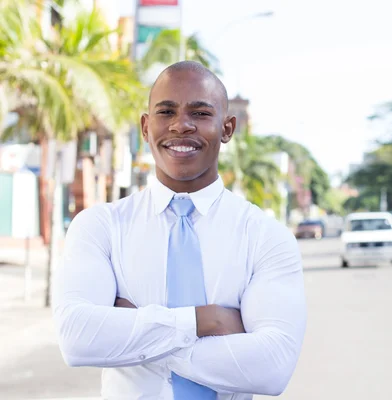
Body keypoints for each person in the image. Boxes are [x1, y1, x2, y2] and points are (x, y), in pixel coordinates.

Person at [52, 61, 307, 400]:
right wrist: (206, 322)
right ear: (145, 127)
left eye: (200, 113)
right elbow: (77, 339)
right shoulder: (101, 227)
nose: (180, 125)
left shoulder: (265, 237)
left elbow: (272, 368)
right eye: (166, 111)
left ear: (227, 128)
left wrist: (141, 333)